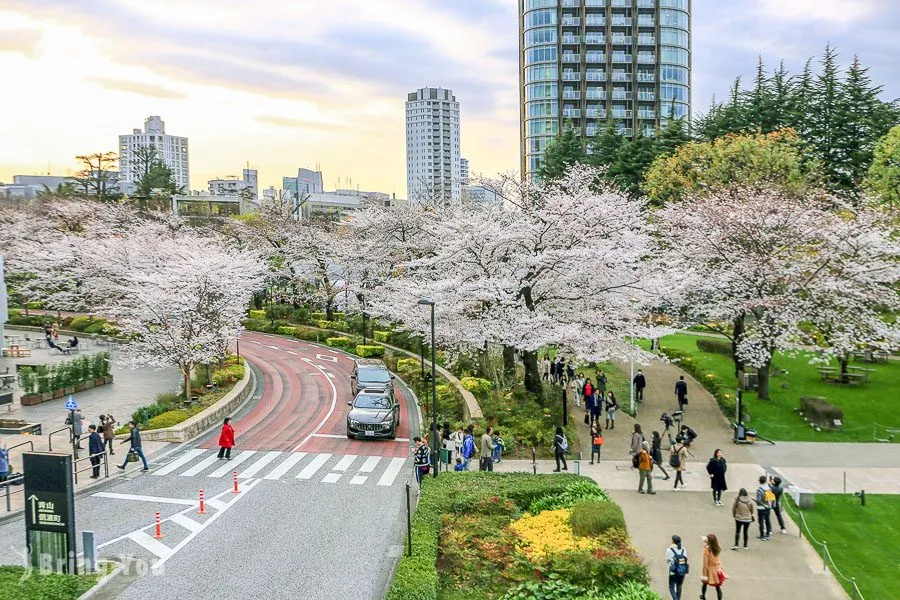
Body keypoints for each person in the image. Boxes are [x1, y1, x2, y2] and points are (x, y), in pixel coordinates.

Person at [700, 534, 724, 600]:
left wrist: (704, 574)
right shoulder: (717, 548)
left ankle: (703, 596)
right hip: (717, 568)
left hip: (709, 569)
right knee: (718, 587)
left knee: (704, 584)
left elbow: (705, 563)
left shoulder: (706, 550)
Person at [666, 534, 688, 600]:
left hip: (673, 571)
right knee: (679, 585)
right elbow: (686, 559)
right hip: (682, 571)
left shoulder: (669, 550)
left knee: (671, 586)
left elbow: (667, 560)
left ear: (673, 541)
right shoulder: (683, 549)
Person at [755, 475, 774, 540]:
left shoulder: (759, 490)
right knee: (767, 520)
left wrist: (755, 501)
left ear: (759, 481)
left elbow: (759, 500)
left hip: (761, 508)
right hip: (768, 506)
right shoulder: (769, 488)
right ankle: (768, 534)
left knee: (761, 522)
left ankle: (762, 535)